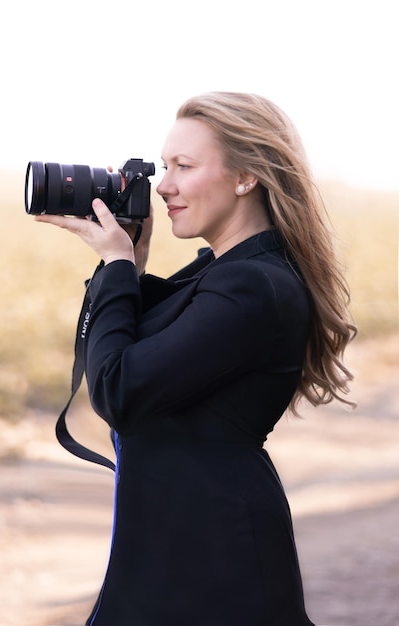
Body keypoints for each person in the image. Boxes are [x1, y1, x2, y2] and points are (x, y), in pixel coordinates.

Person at [35, 92, 356, 626]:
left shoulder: (254, 286)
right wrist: (131, 266)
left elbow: (118, 389)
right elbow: (130, 350)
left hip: (214, 557)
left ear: (246, 177)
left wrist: (116, 265)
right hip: (175, 539)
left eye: (184, 167)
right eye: (164, 167)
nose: (163, 186)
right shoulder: (222, 272)